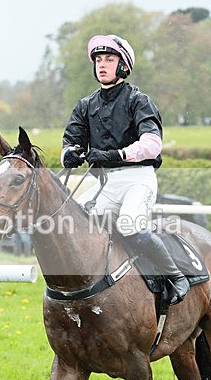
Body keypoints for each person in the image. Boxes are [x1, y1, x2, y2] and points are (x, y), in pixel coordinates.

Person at [61, 34, 190, 304]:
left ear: (123, 66)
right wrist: (69, 155)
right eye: (98, 60)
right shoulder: (86, 105)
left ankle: (175, 275)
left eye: (109, 59)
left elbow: (152, 145)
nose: (102, 64)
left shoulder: (139, 101)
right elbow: (70, 141)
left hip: (137, 179)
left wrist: (115, 154)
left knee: (129, 225)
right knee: (71, 224)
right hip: (104, 184)